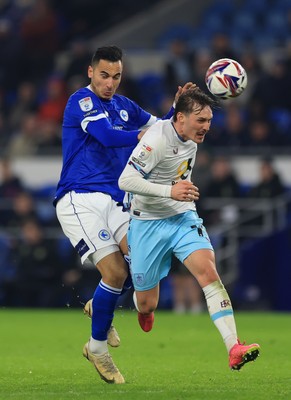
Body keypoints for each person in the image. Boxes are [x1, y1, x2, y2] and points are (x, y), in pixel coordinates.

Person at [54, 45, 195, 384]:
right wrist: (139, 134)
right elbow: (104, 136)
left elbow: (160, 129)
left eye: (116, 76)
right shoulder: (81, 101)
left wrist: (177, 109)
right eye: (104, 75)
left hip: (117, 199)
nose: (110, 83)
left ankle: (98, 307)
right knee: (115, 272)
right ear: (91, 72)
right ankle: (97, 347)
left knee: (141, 258)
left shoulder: (124, 105)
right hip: (80, 197)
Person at [118, 88, 260, 372]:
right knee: (147, 303)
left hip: (183, 217)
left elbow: (178, 121)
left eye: (209, 120)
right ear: (181, 118)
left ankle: (234, 347)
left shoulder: (190, 137)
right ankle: (143, 308)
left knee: (209, 272)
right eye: (201, 120)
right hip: (146, 222)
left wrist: (175, 196)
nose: (206, 127)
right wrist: (170, 191)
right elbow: (125, 180)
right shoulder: (155, 140)